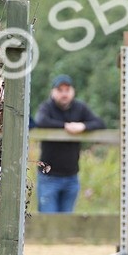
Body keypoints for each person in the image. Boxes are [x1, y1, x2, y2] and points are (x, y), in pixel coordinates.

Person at [33, 74, 105, 213]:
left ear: (73, 91)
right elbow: (41, 121)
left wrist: (83, 126)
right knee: (48, 223)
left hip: (71, 177)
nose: (64, 94)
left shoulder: (80, 107)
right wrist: (65, 126)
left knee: (67, 223)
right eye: (60, 90)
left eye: (67, 90)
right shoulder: (47, 107)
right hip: (49, 177)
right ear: (53, 92)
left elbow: (100, 123)